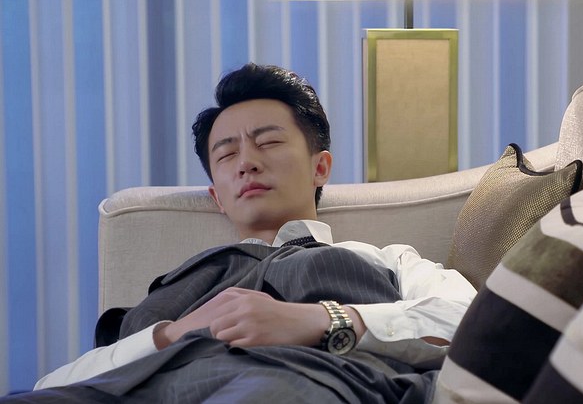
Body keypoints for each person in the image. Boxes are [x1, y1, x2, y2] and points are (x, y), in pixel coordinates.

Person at [8, 64, 476, 402]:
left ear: (320, 167)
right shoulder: (177, 286)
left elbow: (472, 323)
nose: (247, 162)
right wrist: (175, 333)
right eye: (227, 154)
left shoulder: (387, 258)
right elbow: (55, 383)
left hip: (301, 379)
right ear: (217, 195)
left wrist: (325, 320)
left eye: (268, 142)